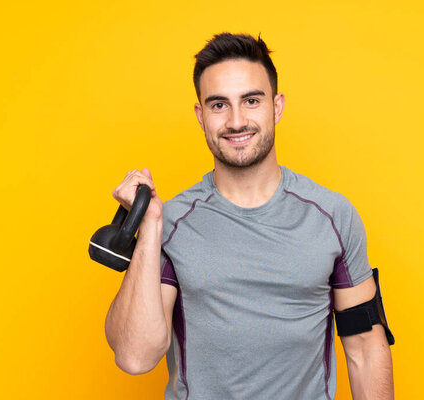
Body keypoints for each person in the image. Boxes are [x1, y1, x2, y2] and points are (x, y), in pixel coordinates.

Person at [105, 32, 394, 399]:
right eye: (219, 105)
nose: (236, 121)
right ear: (200, 115)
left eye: (251, 100)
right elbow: (135, 356)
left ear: (276, 106)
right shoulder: (172, 222)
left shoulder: (333, 216)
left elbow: (367, 349)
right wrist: (149, 229)